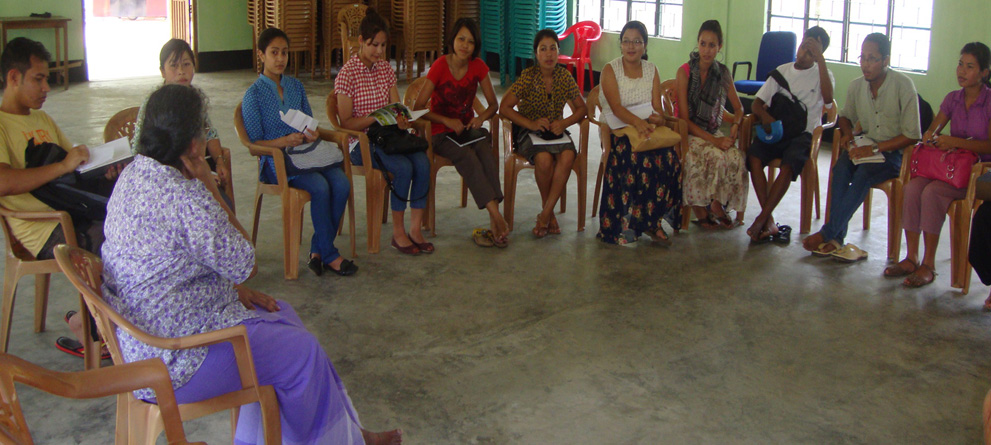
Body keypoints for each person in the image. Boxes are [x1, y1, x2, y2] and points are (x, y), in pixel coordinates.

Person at [103, 84, 402, 445]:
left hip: (145, 340)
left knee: (283, 314)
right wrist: (208, 184)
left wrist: (233, 292)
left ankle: (345, 433)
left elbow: (177, 264)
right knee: (302, 354)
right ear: (194, 146)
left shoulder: (134, 174)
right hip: (177, 359)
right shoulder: (185, 196)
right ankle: (343, 441)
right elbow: (246, 260)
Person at [0, 37, 121, 359]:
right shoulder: (1, 124)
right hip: (40, 226)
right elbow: (3, 181)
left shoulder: (42, 119)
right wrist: (62, 166)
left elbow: (73, 166)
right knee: (102, 237)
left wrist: (99, 169)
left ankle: (106, 321)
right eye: (38, 79)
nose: (46, 88)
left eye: (46, 79)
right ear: (13, 78)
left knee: (126, 225)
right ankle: (98, 333)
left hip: (67, 208)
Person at [242, 28, 357, 276]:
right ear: (261, 55)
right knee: (320, 186)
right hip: (277, 163)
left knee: (341, 182)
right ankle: (330, 255)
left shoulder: (295, 86)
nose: (280, 58)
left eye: (284, 52)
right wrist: (284, 141)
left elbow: (309, 123)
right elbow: (254, 143)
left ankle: (318, 249)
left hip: (307, 155)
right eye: (274, 52)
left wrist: (311, 133)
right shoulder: (253, 95)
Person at [803, 33, 921, 261]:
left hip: (892, 154)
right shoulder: (857, 86)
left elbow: (912, 136)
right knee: (840, 169)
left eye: (872, 59)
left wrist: (876, 149)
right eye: (863, 57)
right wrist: (848, 135)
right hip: (864, 147)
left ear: (886, 60)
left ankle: (828, 233)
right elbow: (845, 116)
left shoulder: (903, 86)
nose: (865, 64)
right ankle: (837, 238)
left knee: (864, 175)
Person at [884, 42, 991, 286]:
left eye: (970, 66)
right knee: (911, 189)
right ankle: (911, 257)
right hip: (949, 168)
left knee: (931, 193)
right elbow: (932, 130)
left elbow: (989, 147)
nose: (962, 71)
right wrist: (932, 139)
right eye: (960, 64)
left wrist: (955, 141)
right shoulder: (953, 99)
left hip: (976, 174)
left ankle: (928, 265)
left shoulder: (989, 102)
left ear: (984, 73)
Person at [336, 9, 433, 255]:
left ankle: (415, 229)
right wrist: (374, 118)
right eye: (373, 45)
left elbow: (397, 107)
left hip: (389, 137)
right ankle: (398, 233)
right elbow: (345, 121)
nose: (378, 51)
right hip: (361, 142)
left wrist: (403, 119)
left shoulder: (386, 69)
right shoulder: (347, 73)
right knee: (402, 167)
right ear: (360, 41)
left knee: (422, 162)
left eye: (382, 45)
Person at [412, 18, 508, 247]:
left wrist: (480, 118)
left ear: (476, 46)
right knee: (467, 157)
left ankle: (494, 218)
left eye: (471, 42)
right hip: (439, 133)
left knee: (485, 150)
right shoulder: (440, 66)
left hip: (465, 130)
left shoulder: (478, 66)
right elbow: (418, 108)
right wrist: (446, 119)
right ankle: (496, 217)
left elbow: (494, 105)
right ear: (452, 40)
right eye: (461, 39)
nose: (465, 45)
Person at [596, 21, 682, 245]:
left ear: (644, 45)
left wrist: (658, 119)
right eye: (626, 41)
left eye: (637, 41)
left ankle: (653, 221)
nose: (631, 46)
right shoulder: (610, 69)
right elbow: (615, 108)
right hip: (618, 131)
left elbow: (657, 110)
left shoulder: (652, 69)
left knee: (669, 158)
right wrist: (637, 123)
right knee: (639, 160)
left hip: (645, 129)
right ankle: (632, 224)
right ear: (620, 44)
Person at [746, 27, 835, 243]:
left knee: (789, 164)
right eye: (806, 43)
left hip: (802, 135)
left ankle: (762, 219)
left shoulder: (823, 75)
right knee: (754, 156)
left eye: (814, 48)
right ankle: (769, 221)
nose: (807, 49)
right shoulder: (782, 71)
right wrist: (766, 117)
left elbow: (829, 100)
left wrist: (820, 61)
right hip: (777, 130)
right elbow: (757, 103)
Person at [499, 29, 588, 238]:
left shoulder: (564, 76)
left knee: (568, 156)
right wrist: (530, 123)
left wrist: (564, 122)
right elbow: (505, 107)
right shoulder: (528, 76)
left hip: (555, 132)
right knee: (545, 160)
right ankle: (549, 215)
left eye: (553, 49)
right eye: (543, 49)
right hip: (528, 132)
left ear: (558, 52)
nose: (549, 54)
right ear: (536, 54)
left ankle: (545, 214)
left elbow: (582, 109)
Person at [133, 38, 232, 208]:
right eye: (173, 65)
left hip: (194, 169)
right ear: (162, 71)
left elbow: (209, 132)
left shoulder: (195, 99)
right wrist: (200, 176)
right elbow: (140, 149)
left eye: (186, 64)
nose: (181, 71)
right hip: (165, 176)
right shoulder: (154, 103)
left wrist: (219, 161)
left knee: (224, 204)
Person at [676, 20, 748, 229]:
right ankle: (700, 209)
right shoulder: (685, 72)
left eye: (712, 45)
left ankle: (717, 203)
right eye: (703, 44)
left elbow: (739, 108)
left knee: (736, 156)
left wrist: (734, 125)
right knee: (714, 154)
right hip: (687, 131)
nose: (707, 50)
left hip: (710, 129)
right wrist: (714, 140)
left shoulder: (722, 73)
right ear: (697, 44)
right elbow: (684, 119)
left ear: (719, 47)